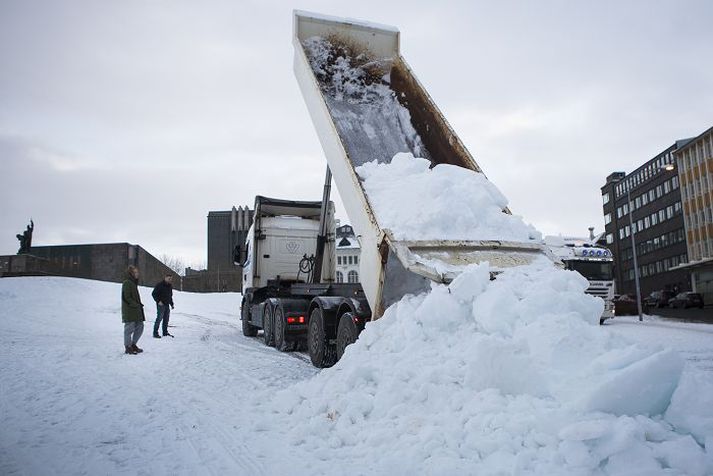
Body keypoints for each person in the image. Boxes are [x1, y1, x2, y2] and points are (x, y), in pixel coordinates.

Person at [121, 265, 145, 354]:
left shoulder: (133, 283)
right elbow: (126, 297)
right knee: (129, 329)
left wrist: (138, 305)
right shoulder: (127, 282)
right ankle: (128, 347)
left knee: (140, 327)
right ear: (131, 273)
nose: (137, 274)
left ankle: (133, 344)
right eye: (135, 272)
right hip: (129, 310)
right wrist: (135, 304)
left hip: (136, 310)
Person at [152, 274, 175, 338]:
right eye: (169, 278)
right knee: (159, 319)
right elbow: (153, 294)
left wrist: (172, 304)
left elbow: (170, 296)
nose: (170, 280)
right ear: (165, 278)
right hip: (161, 305)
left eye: (171, 279)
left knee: (166, 319)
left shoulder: (170, 286)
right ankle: (155, 333)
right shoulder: (159, 285)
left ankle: (165, 332)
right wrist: (158, 301)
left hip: (167, 305)